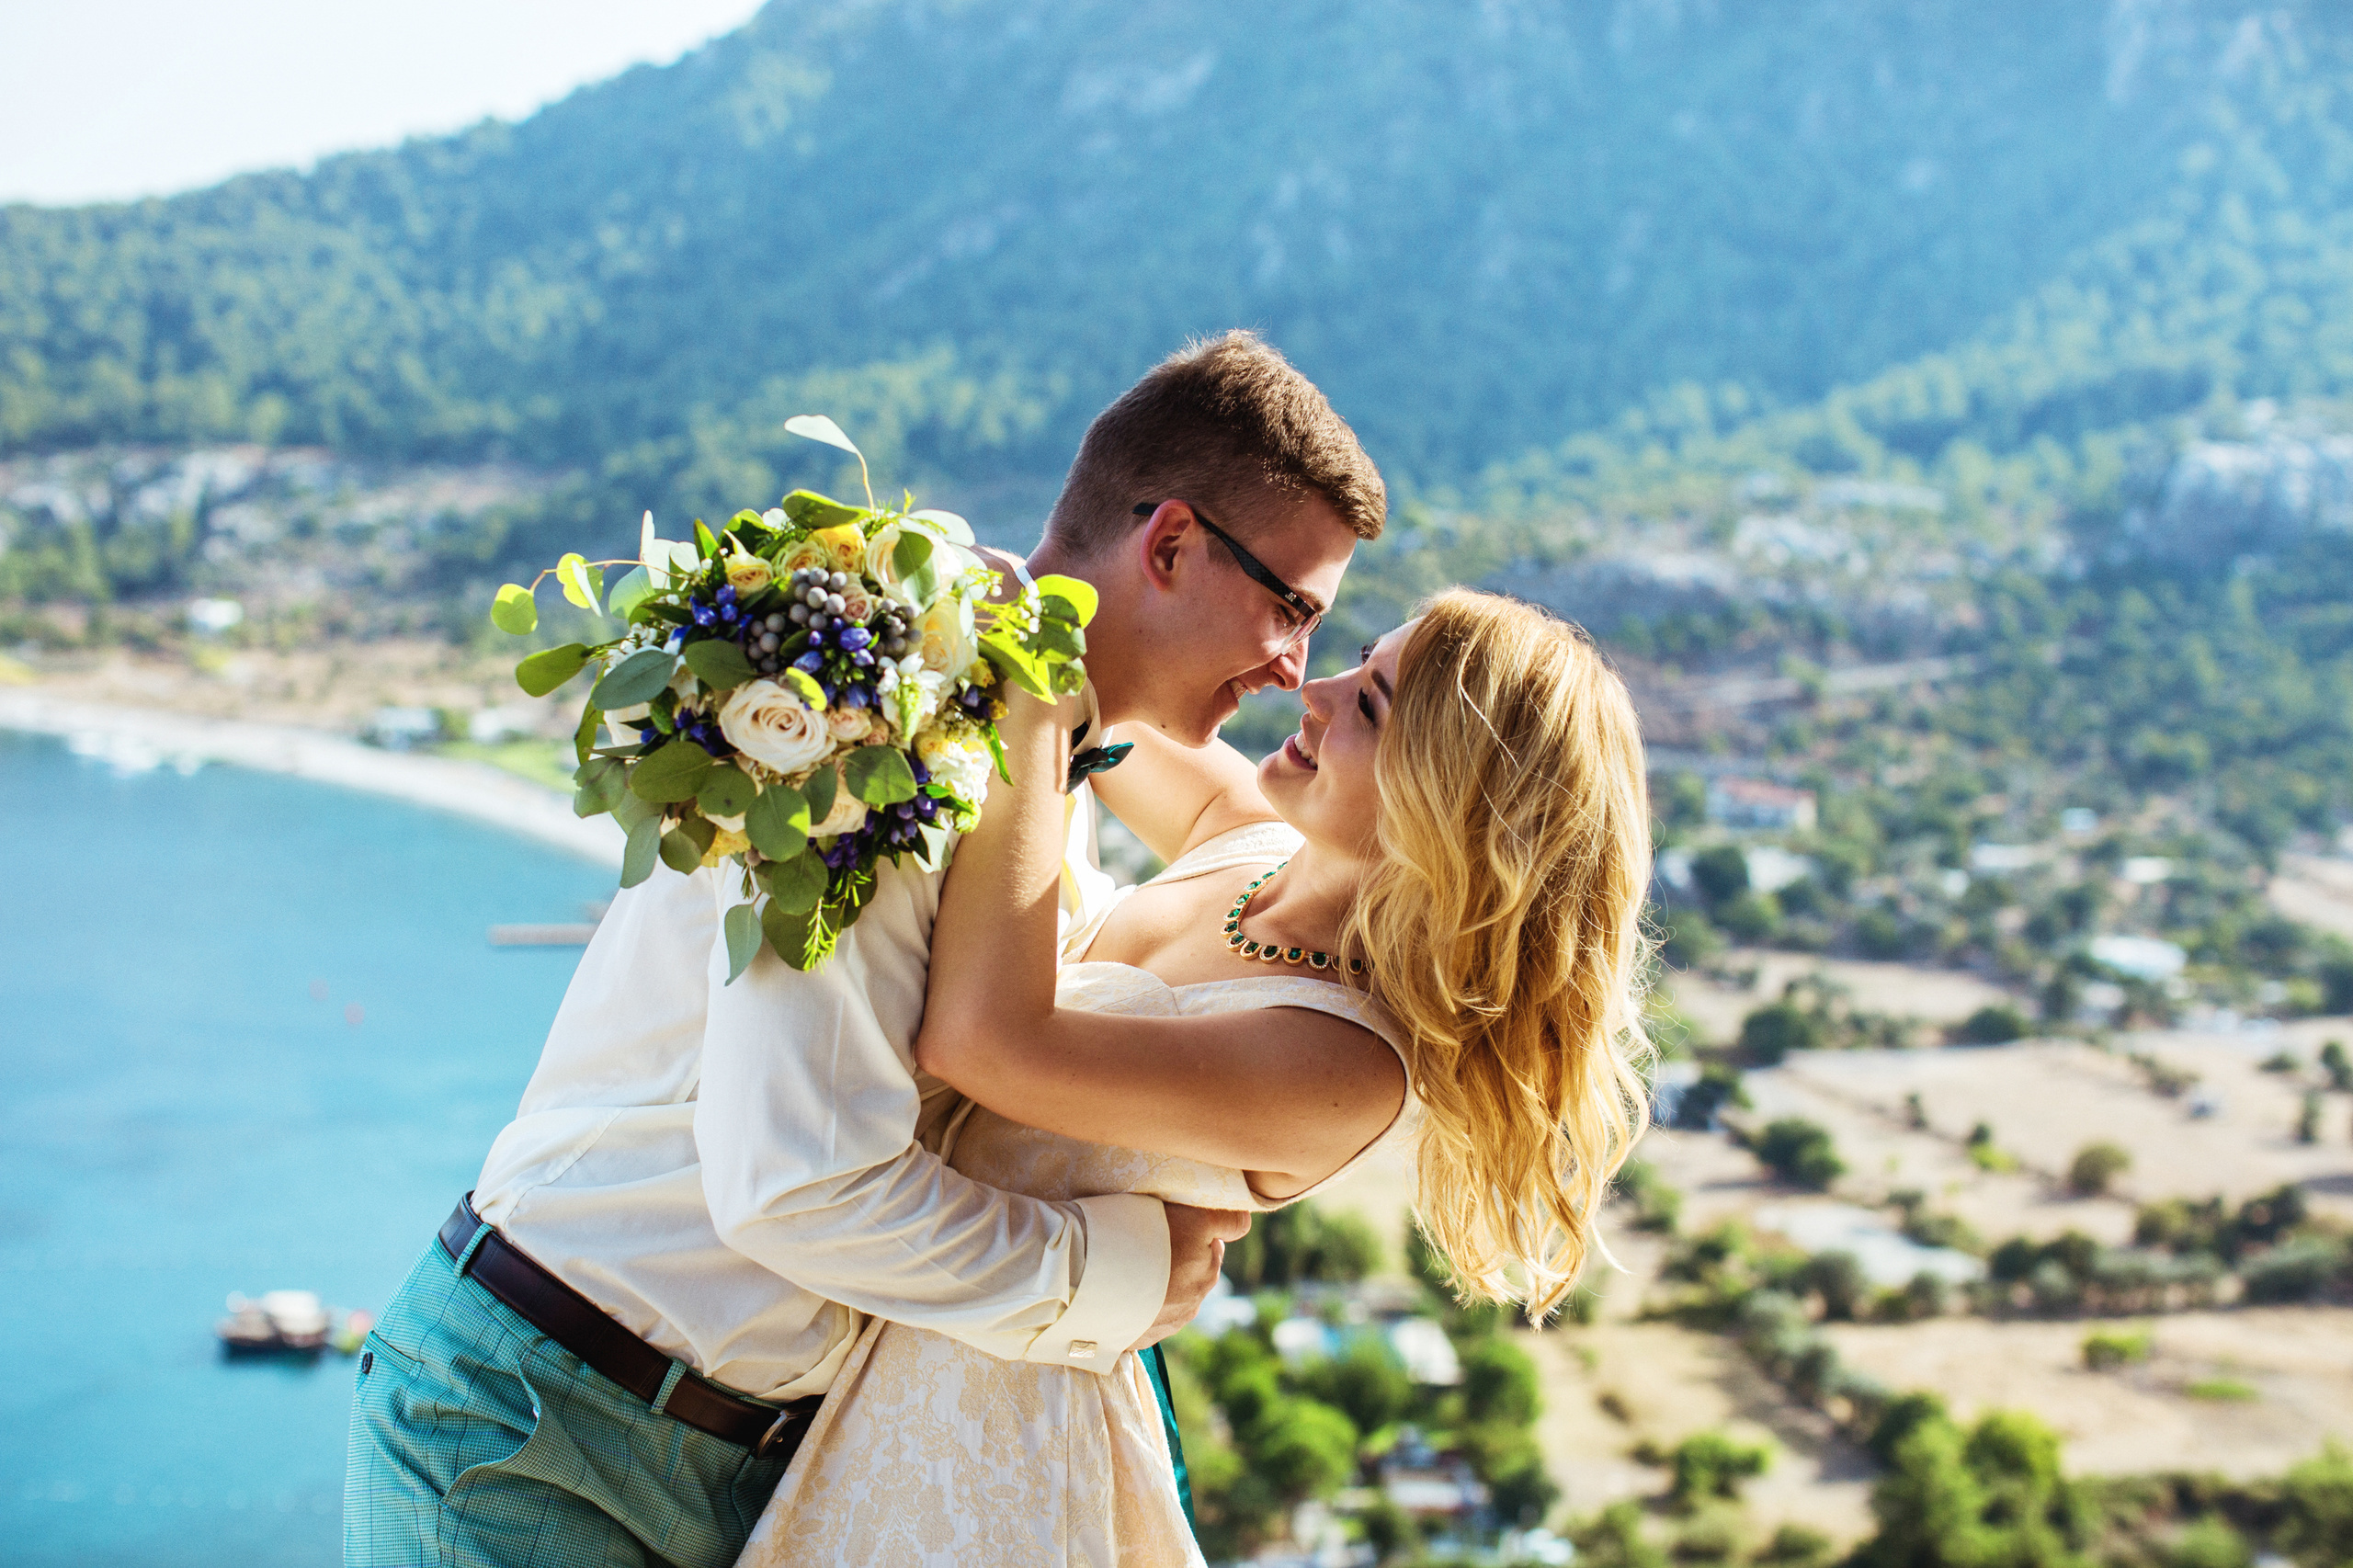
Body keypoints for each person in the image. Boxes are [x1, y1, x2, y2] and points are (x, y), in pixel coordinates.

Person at [343, 331, 1388, 1568]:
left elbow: (1266, 816)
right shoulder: (894, 733)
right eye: (1292, 608)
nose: (1291, 668)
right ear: (1168, 545)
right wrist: (1117, 1274)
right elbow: (800, 1186)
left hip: (737, 1458)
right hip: (544, 1431)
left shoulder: (1034, 739)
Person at [739, 588, 1656, 1566]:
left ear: (1451, 805)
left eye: (1374, 706)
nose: (1315, 689)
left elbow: (983, 1040)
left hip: (988, 1444)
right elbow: (1106, 678)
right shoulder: (1251, 836)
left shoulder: (1342, 1062)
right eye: (1353, 658)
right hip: (896, 1328)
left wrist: (1035, 715)